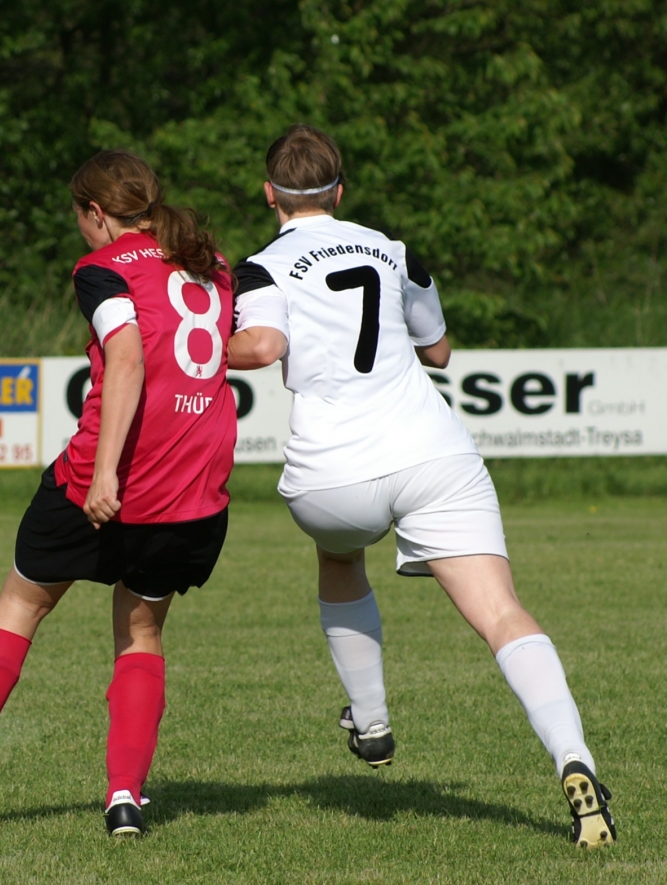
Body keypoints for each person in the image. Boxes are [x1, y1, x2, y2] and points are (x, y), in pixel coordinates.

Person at [227, 125, 615, 848]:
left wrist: (188, 345)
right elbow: (438, 350)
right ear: (341, 192)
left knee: (341, 557)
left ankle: (372, 721)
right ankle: (575, 759)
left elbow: (263, 346)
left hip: (333, 473)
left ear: (269, 194)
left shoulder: (260, 267)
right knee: (501, 614)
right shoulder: (394, 249)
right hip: (433, 453)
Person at [0, 151, 236, 837]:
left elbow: (128, 356)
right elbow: (249, 344)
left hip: (102, 480)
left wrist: (106, 472)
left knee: (20, 606)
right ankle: (124, 799)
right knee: (141, 632)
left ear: (96, 212)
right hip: (191, 489)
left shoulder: (102, 267)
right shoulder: (211, 262)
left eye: (80, 217)